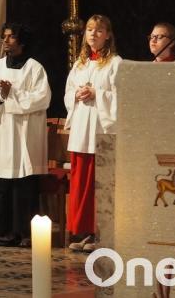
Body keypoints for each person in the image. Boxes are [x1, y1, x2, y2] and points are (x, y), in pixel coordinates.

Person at [0, 23, 51, 247]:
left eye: (11, 37)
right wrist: (0, 97)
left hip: (24, 132)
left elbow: (42, 98)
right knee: (0, 181)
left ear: (22, 41)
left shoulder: (34, 68)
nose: (6, 41)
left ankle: (25, 232)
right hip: (2, 130)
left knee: (23, 182)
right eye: (4, 37)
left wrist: (13, 94)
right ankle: (3, 231)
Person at [63, 14, 122, 252]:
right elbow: (68, 93)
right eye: (89, 30)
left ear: (108, 35)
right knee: (81, 186)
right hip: (81, 131)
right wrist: (76, 95)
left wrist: (97, 93)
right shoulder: (80, 64)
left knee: (100, 184)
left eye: (99, 30)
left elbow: (122, 96)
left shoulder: (116, 63)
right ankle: (86, 232)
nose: (93, 35)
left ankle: (103, 234)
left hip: (101, 130)